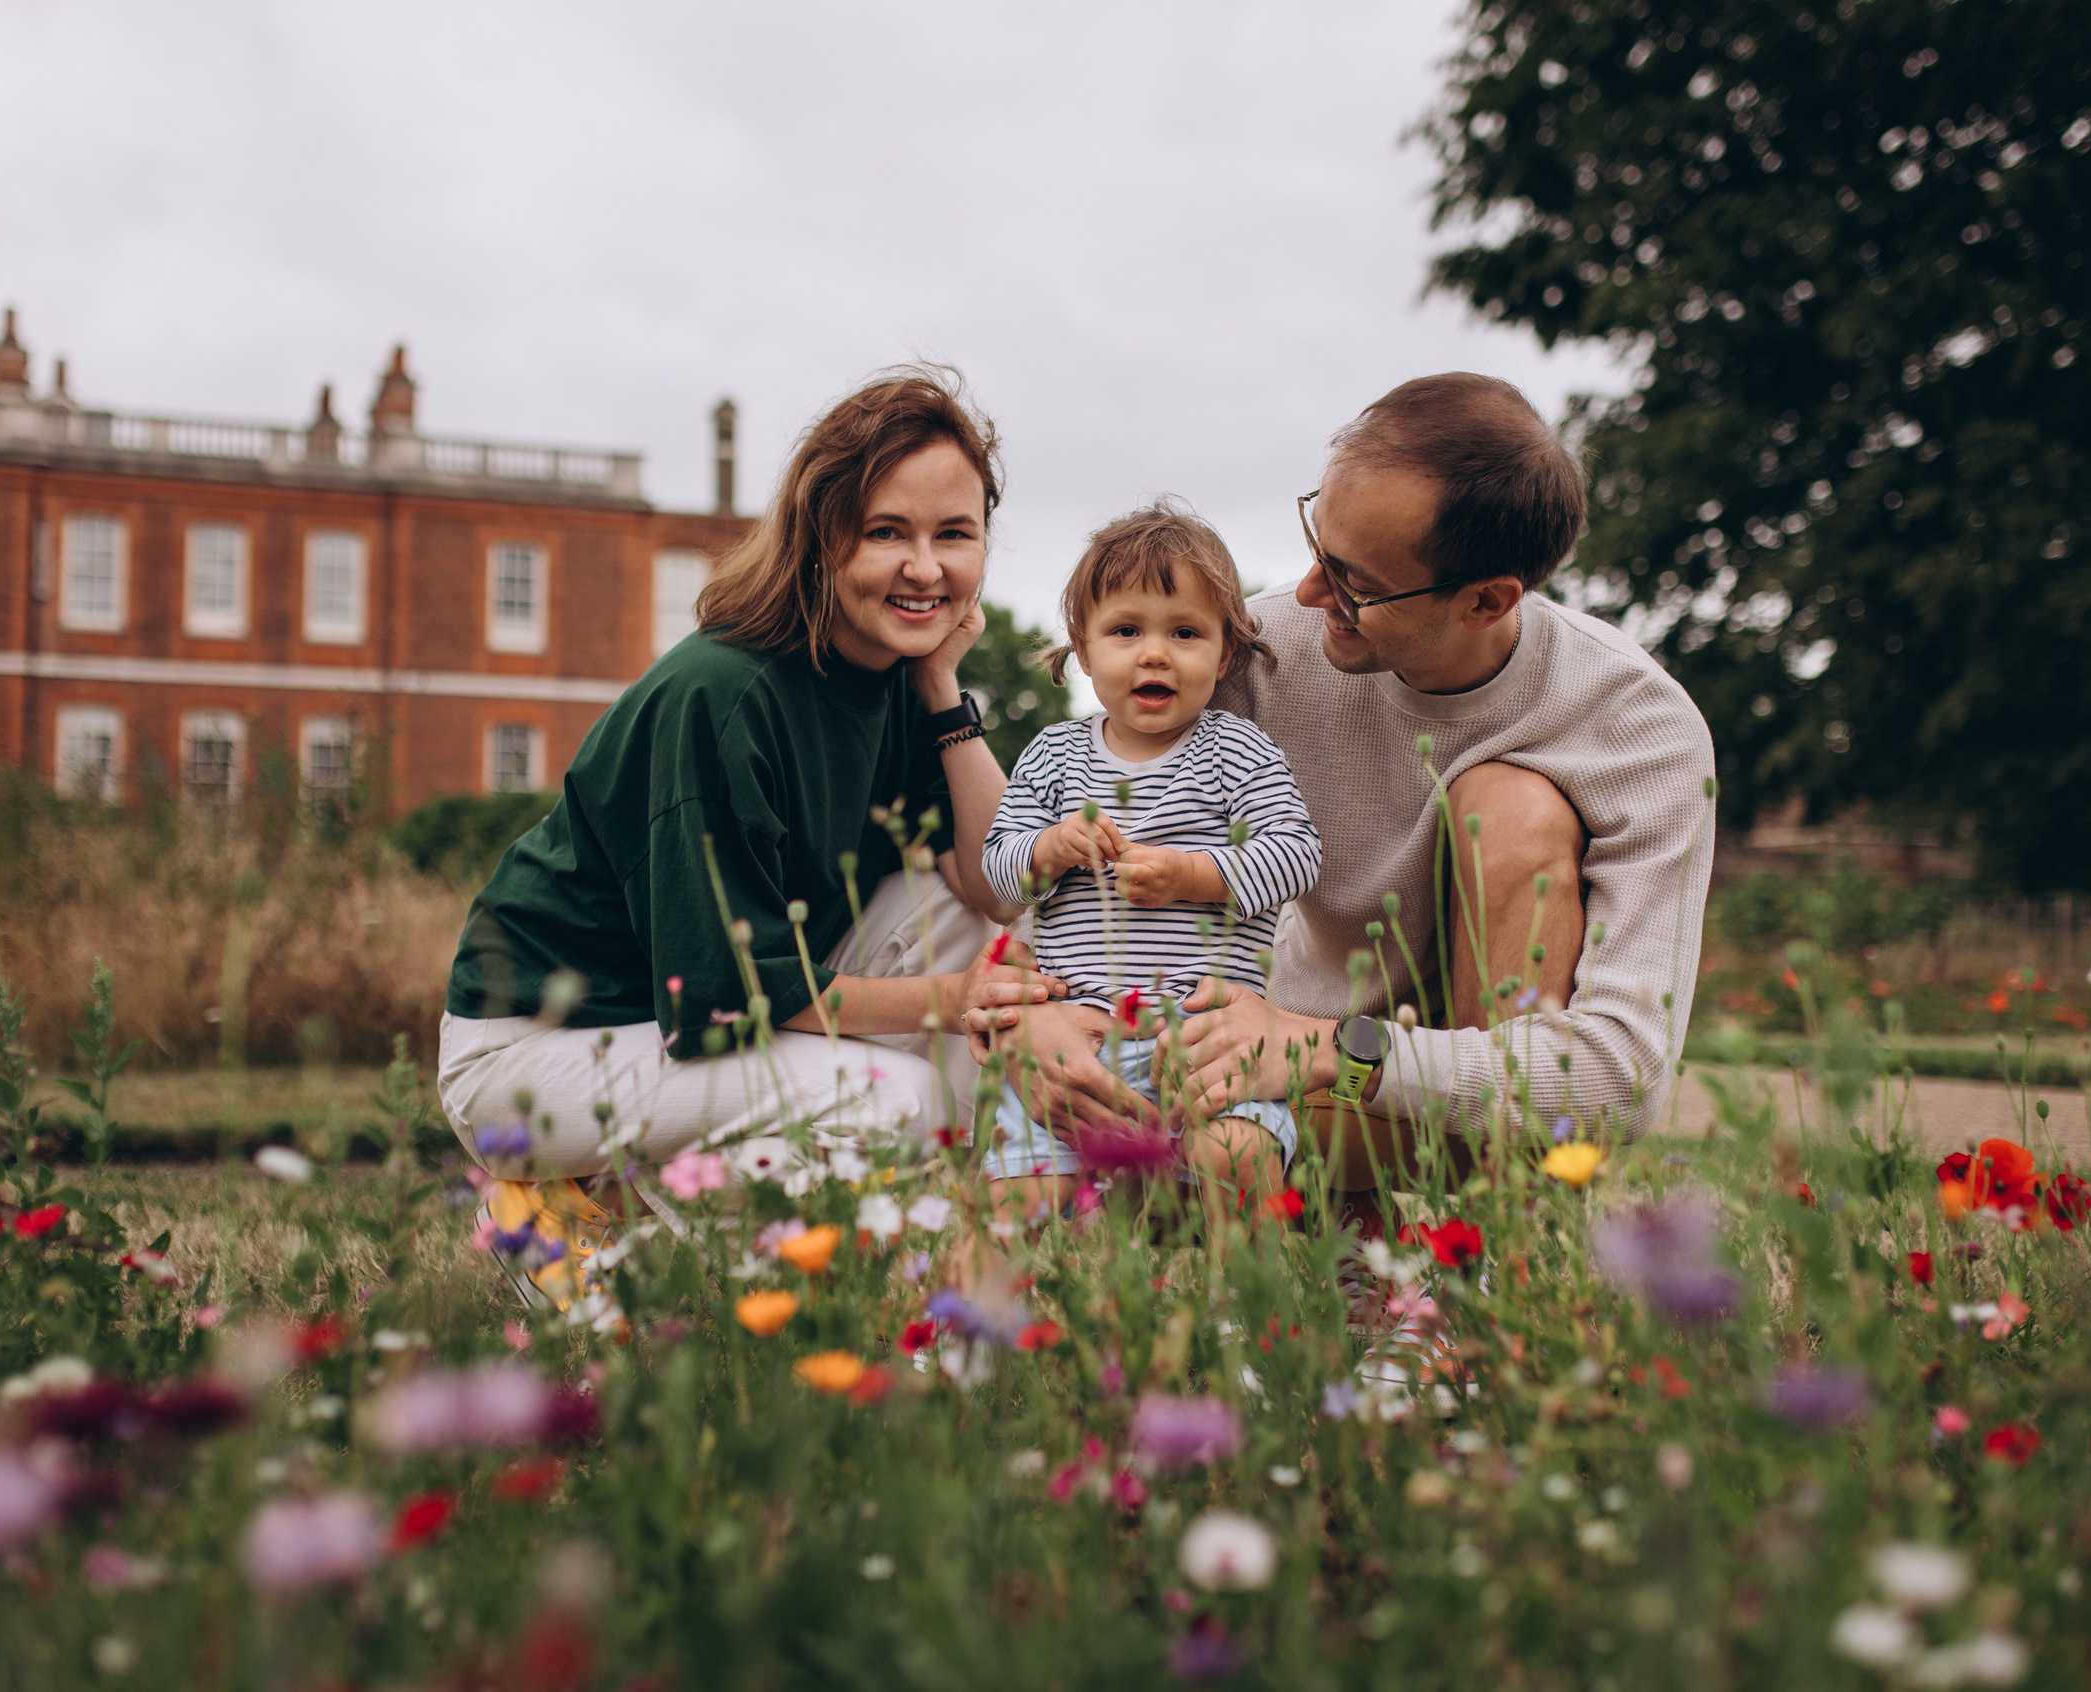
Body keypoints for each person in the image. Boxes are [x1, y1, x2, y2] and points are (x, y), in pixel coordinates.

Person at [966, 373, 1716, 1217]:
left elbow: (1613, 1086)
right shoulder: (1254, 650)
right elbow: (1101, 826)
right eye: (1315, 543)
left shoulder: (1638, 728)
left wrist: (1340, 1049)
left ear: (1488, 600)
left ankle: (1482, 1282)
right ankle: (1335, 1236)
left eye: (1355, 581)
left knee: (1511, 806)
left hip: (1399, 1075)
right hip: (1245, 1064)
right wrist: (1026, 1014)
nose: (1311, 593)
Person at [439, 367, 1015, 1307]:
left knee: (970, 924)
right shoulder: (722, 694)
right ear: (822, 539)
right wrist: (950, 1000)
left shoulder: (895, 676)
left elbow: (994, 883)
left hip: (683, 1029)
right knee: (896, 1095)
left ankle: (632, 1198)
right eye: (885, 533)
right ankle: (589, 1236)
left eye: (954, 534)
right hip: (540, 1050)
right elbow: (718, 1001)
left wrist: (946, 686)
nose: (926, 568)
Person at [973, 506, 1321, 1219]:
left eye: (1184, 633)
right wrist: (1048, 849)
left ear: (1224, 656)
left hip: (1207, 1037)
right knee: (1019, 1197)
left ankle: (1248, 1317)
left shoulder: (1238, 751)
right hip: (1077, 1039)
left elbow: (1295, 856)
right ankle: (989, 1323)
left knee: (1237, 1161)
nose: (1154, 654)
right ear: (1084, 647)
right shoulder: (1053, 755)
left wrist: (1193, 875)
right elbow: (999, 875)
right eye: (1126, 631)